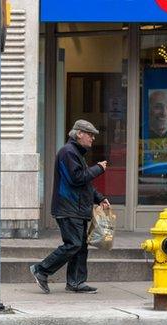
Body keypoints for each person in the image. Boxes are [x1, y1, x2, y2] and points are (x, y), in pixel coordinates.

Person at [30, 120, 110, 294]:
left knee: (80, 247)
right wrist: (98, 169)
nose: (93, 138)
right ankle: (41, 270)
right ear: (79, 133)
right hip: (68, 208)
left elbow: (85, 184)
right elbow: (77, 178)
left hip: (77, 208)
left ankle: (76, 282)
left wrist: (100, 198)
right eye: (90, 134)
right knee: (73, 244)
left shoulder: (76, 153)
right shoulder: (68, 152)